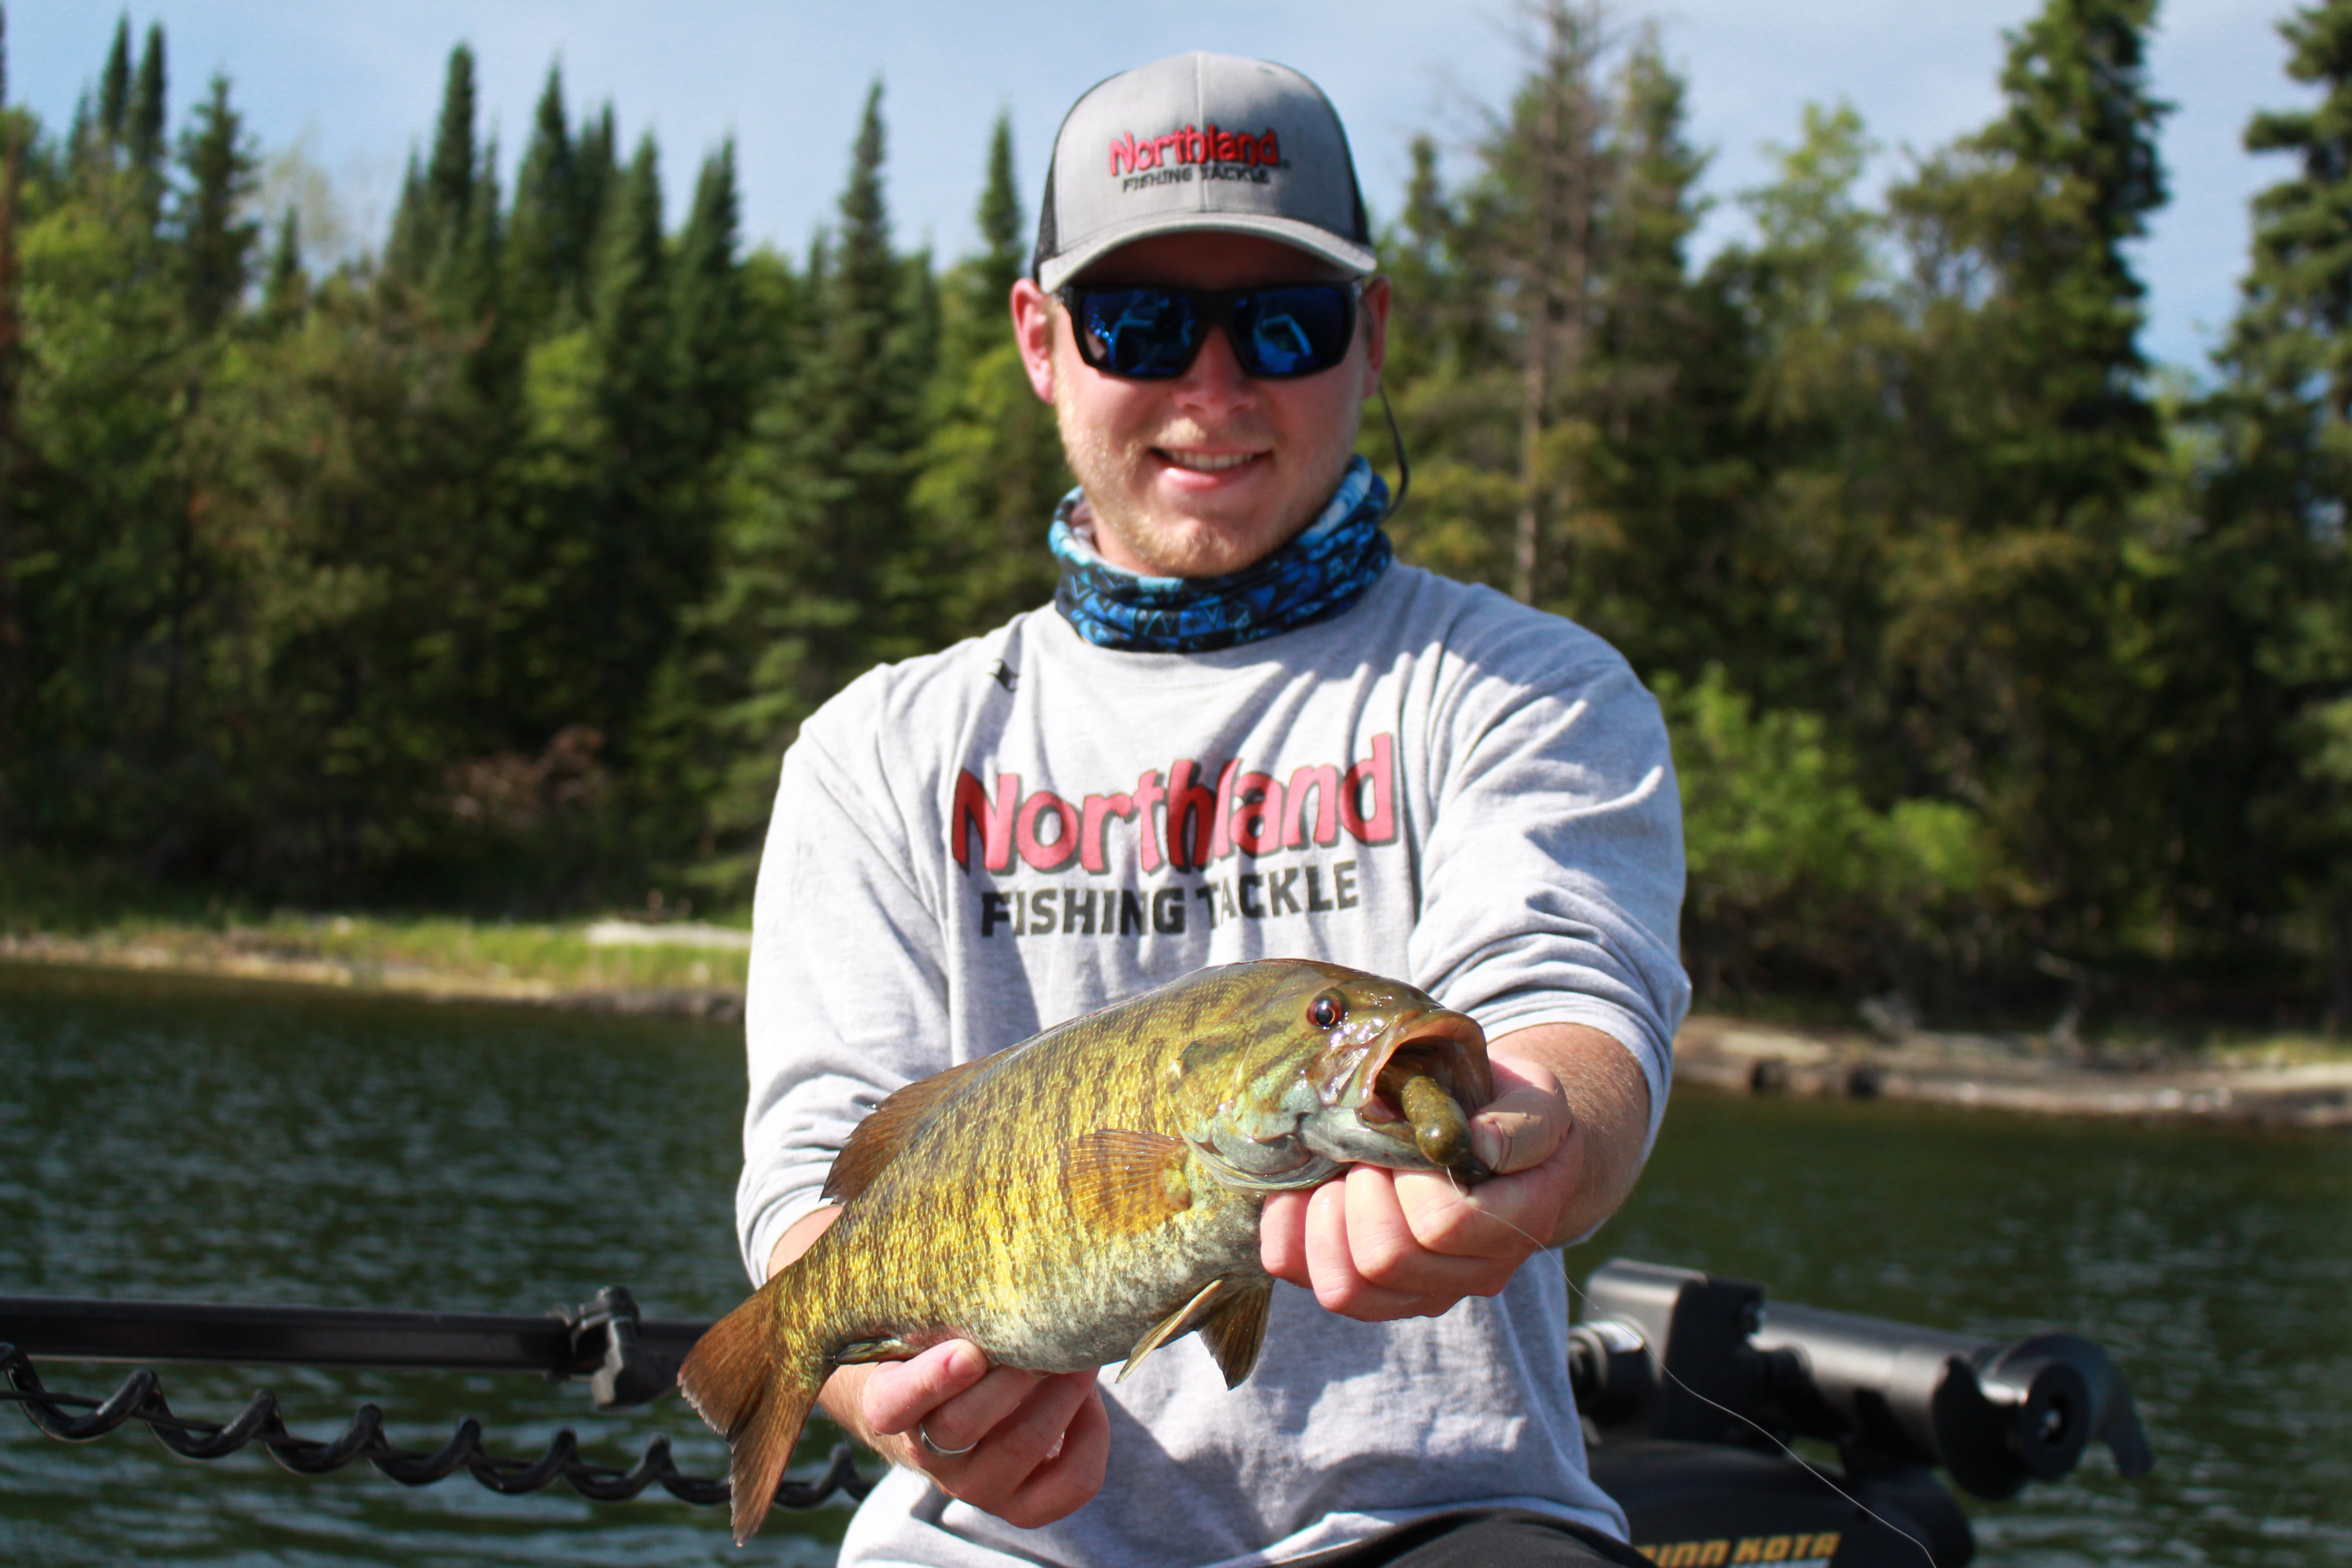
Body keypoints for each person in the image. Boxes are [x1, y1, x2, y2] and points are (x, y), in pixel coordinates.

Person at [735, 51, 1687, 1568]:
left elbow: (1570, 994)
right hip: (992, 1542)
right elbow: (818, 1170)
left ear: (1371, 338)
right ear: (1043, 342)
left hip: (1448, 1521)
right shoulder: (880, 751)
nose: (1216, 388)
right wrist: (877, 1381)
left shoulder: (1526, 689)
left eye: (1286, 324)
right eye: (1143, 325)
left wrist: (1534, 1131)